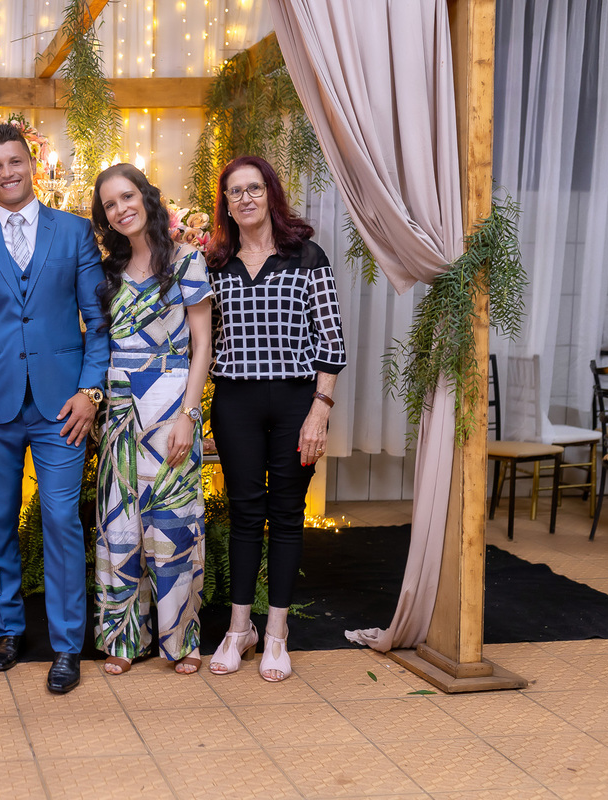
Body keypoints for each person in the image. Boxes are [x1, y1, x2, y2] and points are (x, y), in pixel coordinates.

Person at [0, 122, 110, 694]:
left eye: (15, 161)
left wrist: (90, 392)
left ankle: (67, 644)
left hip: (61, 406)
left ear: (31, 164)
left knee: (62, 520)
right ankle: (8, 629)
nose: (7, 173)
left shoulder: (75, 231)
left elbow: (98, 321)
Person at [204, 155, 346, 682]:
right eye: (235, 191)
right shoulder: (215, 263)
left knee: (286, 514)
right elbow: (202, 342)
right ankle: (239, 630)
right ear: (226, 203)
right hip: (235, 403)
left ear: (271, 194)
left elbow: (331, 340)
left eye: (254, 188)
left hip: (296, 403)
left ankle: (277, 634)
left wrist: (320, 411)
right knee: (244, 513)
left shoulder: (306, 256)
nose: (245, 198)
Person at [90, 164, 213, 676]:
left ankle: (180, 638)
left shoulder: (187, 260)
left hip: (171, 403)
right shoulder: (108, 271)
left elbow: (203, 345)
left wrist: (188, 415)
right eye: (110, 205)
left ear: (146, 197)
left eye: (127, 196)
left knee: (172, 522)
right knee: (119, 525)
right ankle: (123, 639)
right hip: (120, 409)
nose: (121, 209)